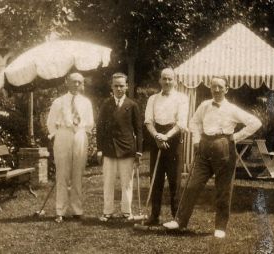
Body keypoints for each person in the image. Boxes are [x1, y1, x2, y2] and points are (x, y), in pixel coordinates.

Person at [163, 76, 262, 238]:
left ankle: (220, 227)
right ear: (210, 88)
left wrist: (236, 137)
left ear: (226, 89)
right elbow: (194, 123)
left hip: (224, 150)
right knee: (192, 185)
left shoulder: (232, 109)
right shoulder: (204, 105)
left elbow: (255, 122)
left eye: (220, 87)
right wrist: (196, 141)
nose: (216, 90)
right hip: (204, 148)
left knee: (223, 189)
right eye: (213, 87)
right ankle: (180, 221)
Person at [143, 67, 189, 226]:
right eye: (164, 78)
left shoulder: (182, 98)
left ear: (175, 81)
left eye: (170, 79)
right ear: (160, 80)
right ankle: (154, 216)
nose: (167, 82)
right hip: (156, 138)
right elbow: (148, 121)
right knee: (155, 179)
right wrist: (157, 136)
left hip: (173, 139)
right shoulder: (153, 99)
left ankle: (176, 218)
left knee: (174, 180)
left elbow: (182, 123)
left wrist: (166, 136)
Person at [46, 72, 94, 223]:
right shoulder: (58, 102)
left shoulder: (86, 102)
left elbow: (90, 123)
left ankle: (77, 210)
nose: (76, 85)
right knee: (62, 174)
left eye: (79, 82)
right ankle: (60, 210)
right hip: (63, 135)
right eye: (73, 82)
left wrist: (81, 132)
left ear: (82, 84)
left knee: (78, 174)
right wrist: (57, 135)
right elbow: (50, 122)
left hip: (79, 134)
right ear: (66, 82)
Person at [96, 72, 143, 221]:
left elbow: (139, 130)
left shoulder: (132, 105)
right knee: (108, 182)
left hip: (127, 149)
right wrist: (99, 149)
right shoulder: (106, 104)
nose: (119, 89)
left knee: (126, 183)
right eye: (116, 86)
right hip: (109, 149)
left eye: (121, 86)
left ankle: (126, 211)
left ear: (127, 86)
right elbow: (100, 128)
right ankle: (107, 211)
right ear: (111, 86)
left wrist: (139, 151)